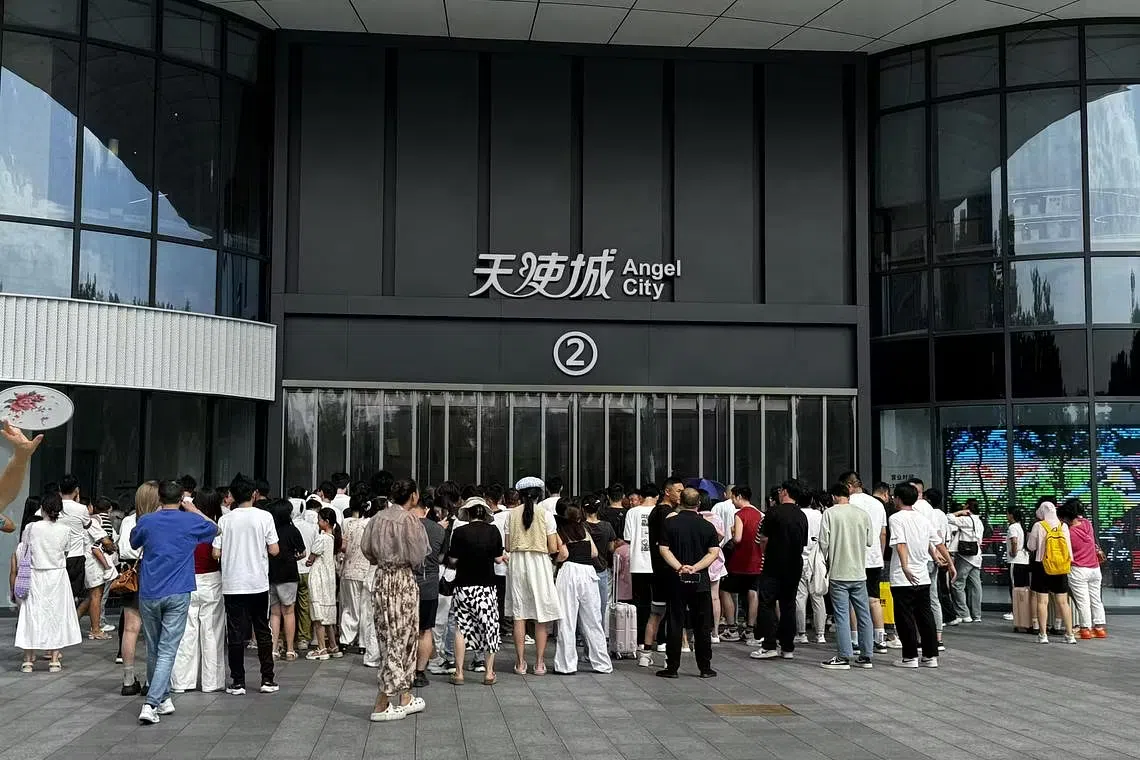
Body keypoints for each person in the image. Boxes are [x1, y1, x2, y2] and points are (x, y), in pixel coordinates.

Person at [130, 481, 218, 724]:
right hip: (178, 591)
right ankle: (150, 703)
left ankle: (163, 697)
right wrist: (192, 509)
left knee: (154, 646)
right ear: (181, 498)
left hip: (150, 591)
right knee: (168, 649)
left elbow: (133, 543)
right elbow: (214, 529)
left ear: (159, 498)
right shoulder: (190, 521)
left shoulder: (147, 521)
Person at [361, 483, 430, 722]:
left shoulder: (377, 518)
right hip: (402, 579)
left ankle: (406, 696)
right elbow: (419, 555)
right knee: (403, 637)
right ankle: (382, 702)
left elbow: (366, 550)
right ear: (413, 495)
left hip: (381, 578)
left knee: (390, 636)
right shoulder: (410, 521)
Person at [213, 477, 281, 695]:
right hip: (257, 583)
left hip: (232, 583)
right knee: (262, 630)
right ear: (254, 494)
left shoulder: (225, 520)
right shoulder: (265, 517)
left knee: (235, 633)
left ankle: (238, 681)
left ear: (232, 495)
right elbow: (274, 550)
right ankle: (267, 679)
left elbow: (216, 552)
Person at [15, 492, 81, 673]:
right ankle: (54, 659)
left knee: (32, 614)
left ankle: (28, 660)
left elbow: (24, 549)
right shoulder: (65, 529)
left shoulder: (31, 528)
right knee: (55, 615)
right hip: (57, 576)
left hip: (36, 575)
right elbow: (65, 552)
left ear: (42, 508)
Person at [657, 488, 719, 679]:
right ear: (698, 503)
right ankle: (705, 667)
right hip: (700, 582)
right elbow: (713, 553)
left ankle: (672, 666)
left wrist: (680, 567)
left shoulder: (670, 524)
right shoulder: (707, 526)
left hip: (676, 580)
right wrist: (695, 567)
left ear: (680, 502)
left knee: (676, 621)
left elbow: (664, 549)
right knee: (702, 624)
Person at [171, 488, 227, 694]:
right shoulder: (214, 525)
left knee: (186, 633)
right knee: (213, 632)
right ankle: (212, 681)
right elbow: (216, 529)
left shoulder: (185, 525)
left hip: (186, 580)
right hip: (212, 580)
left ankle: (182, 681)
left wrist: (192, 510)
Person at [505, 477, 561, 675]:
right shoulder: (546, 515)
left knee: (519, 615)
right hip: (540, 564)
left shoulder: (511, 515)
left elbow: (508, 546)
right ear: (539, 494)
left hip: (518, 564)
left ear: (520, 494)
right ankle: (538, 663)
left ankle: (520, 663)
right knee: (541, 615)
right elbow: (553, 547)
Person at [447, 500, 506, 683]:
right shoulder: (493, 531)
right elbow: (498, 559)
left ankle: (459, 673)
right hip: (486, 586)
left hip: (463, 585)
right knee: (490, 627)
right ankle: (488, 673)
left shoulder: (459, 532)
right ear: (485, 514)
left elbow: (453, 560)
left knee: (461, 627)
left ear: (469, 514)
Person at [818, 482, 874, 670]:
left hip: (838, 572)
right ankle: (866, 655)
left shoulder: (830, 514)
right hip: (859, 572)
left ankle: (844, 656)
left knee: (842, 615)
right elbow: (869, 541)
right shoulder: (862, 514)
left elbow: (823, 543)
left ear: (834, 496)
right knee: (864, 614)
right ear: (848, 495)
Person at [552, 499, 612, 675]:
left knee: (567, 619)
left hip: (570, 571)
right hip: (588, 572)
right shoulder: (584, 530)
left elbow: (564, 554)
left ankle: (566, 665)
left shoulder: (561, 531)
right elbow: (594, 553)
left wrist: (555, 560)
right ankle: (602, 663)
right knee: (593, 619)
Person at [750, 480, 808, 661]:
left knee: (767, 603)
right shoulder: (801, 515)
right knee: (788, 604)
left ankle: (769, 645)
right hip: (794, 564)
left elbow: (763, 539)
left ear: (784, 492)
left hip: (774, 563)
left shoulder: (773, 512)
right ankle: (788, 647)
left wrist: (764, 553)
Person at [888, 483, 942, 668]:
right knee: (925, 617)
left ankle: (910, 656)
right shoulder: (923, 519)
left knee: (905, 617)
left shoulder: (896, 518)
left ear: (898, 498)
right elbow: (937, 542)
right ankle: (930, 655)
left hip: (903, 577)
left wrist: (904, 566)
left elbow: (900, 543)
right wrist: (949, 563)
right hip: (923, 575)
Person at [398, 482, 444, 688]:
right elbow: (442, 556)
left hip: (406, 582)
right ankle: (419, 672)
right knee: (425, 630)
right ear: (427, 508)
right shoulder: (438, 530)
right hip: (429, 584)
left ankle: (403, 669)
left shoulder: (402, 525)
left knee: (405, 628)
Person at [117, 481, 159, 693]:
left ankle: (127, 679)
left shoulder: (127, 521)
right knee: (154, 631)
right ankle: (152, 680)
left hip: (131, 573)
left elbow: (123, 548)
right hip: (153, 572)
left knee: (130, 629)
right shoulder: (158, 521)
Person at [840, 472, 889, 653]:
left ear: (848, 486)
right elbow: (883, 533)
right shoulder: (877, 504)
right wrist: (880, 554)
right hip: (874, 558)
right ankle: (880, 639)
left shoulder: (848, 503)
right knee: (874, 599)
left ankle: (855, 639)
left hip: (854, 557)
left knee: (853, 600)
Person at [1026, 499, 1076, 645]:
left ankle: (1043, 635)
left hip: (1042, 566)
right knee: (1063, 602)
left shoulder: (1038, 525)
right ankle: (1070, 634)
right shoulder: (1063, 526)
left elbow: (1031, 546)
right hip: (1060, 567)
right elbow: (1068, 548)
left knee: (1042, 601)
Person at [1057, 499, 1106, 639]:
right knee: (1096, 599)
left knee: (1083, 601)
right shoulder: (1087, 524)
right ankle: (1100, 628)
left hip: (1078, 569)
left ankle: (1085, 629)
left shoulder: (1068, 532)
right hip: (1095, 569)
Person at [721, 485, 762, 644]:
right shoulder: (759, 514)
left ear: (738, 497)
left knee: (726, 590)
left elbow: (737, 538)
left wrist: (732, 532)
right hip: (757, 560)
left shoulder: (740, 514)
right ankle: (750, 629)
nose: (732, 501)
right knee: (753, 593)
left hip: (740, 561)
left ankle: (732, 629)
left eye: (733, 498)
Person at [267, 499, 306, 660]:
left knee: (274, 613)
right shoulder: (292, 530)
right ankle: (290, 649)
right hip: (289, 574)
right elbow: (302, 552)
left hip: (271, 574)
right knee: (289, 612)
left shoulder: (270, 530)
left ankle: (274, 648)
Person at [624, 483, 658, 665]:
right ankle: (658, 640)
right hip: (657, 565)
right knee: (659, 605)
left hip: (638, 564)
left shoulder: (632, 512)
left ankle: (639, 642)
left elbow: (628, 537)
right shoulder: (660, 511)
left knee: (640, 605)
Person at [305, 507, 343, 659]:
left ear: (326, 522)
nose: (317, 522)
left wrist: (308, 561)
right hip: (329, 578)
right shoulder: (334, 538)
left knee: (318, 613)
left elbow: (312, 557)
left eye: (319, 519)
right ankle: (333, 645)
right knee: (328, 613)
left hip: (319, 576)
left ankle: (321, 648)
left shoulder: (322, 538)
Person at [339, 493, 372, 653]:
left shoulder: (347, 523)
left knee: (350, 606)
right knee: (366, 608)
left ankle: (345, 639)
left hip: (349, 569)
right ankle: (363, 644)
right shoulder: (371, 524)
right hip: (367, 570)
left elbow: (343, 547)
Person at [794, 491, 826, 645]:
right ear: (812, 500)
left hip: (800, 558)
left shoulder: (797, 515)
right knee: (818, 596)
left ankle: (802, 633)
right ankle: (820, 634)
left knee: (800, 597)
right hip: (817, 559)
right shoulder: (819, 515)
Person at [583, 495, 617, 637]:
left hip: (584, 569)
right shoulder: (607, 526)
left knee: (585, 607)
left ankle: (583, 637)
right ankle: (600, 636)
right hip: (601, 569)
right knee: (601, 606)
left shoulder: (581, 526)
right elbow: (611, 548)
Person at [947, 499, 984, 624]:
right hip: (977, 556)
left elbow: (948, 517)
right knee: (975, 585)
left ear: (968, 507)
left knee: (957, 584)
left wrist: (960, 512)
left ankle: (964, 613)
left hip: (965, 556)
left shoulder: (966, 520)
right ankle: (977, 614)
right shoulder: (979, 521)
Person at [697, 492, 727, 644]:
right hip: (716, 559)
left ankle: (697, 631)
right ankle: (715, 632)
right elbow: (722, 537)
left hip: (698, 559)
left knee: (698, 597)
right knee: (715, 596)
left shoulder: (696, 518)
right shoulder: (716, 518)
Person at [1004, 507, 1032, 626]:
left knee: (1015, 587)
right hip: (1024, 560)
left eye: (1007, 513)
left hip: (1016, 561)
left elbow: (1014, 541)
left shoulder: (1012, 527)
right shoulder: (1021, 527)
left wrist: (1013, 552)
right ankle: (1023, 609)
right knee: (1023, 586)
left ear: (1011, 515)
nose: (1006, 516)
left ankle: (1015, 610)